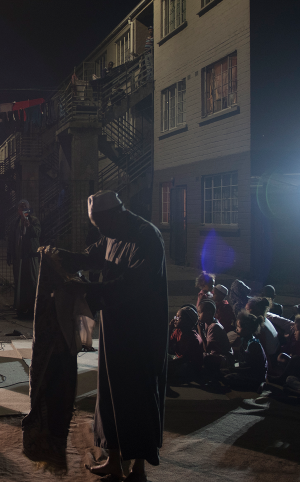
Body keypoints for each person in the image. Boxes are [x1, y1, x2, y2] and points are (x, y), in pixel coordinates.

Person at [44, 190, 168, 480]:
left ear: (115, 214)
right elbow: (91, 257)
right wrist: (59, 258)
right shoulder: (113, 232)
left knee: (138, 395)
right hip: (116, 327)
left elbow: (131, 285)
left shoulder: (146, 237)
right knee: (112, 393)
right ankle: (114, 459)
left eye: (100, 226)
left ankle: (138, 466)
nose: (100, 232)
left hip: (142, 331)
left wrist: (87, 290)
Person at [7, 199, 41, 319]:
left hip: (30, 256)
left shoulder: (33, 220)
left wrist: (29, 226)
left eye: (25, 207)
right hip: (19, 257)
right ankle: (21, 308)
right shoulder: (15, 223)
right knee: (19, 282)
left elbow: (37, 234)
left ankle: (32, 308)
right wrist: (10, 254)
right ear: (18, 211)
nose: (23, 209)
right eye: (21, 207)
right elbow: (11, 239)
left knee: (31, 282)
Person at [221, 312, 268, 392]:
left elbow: (251, 368)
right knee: (222, 372)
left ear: (248, 329)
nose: (236, 329)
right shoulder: (244, 340)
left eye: (239, 327)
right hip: (247, 371)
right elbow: (243, 362)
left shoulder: (253, 345)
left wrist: (234, 369)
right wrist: (233, 366)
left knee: (226, 378)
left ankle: (258, 385)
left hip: (255, 376)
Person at [167, 306, 203, 382]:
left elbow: (185, 359)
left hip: (189, 365)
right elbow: (167, 345)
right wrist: (170, 329)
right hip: (178, 359)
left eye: (178, 317)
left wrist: (168, 364)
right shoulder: (178, 331)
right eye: (175, 316)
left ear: (188, 321)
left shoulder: (193, 338)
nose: (175, 319)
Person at [198, 301, 232, 376]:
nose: (198, 315)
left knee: (206, 359)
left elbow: (206, 349)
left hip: (225, 358)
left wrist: (200, 331)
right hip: (216, 355)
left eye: (200, 312)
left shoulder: (214, 326)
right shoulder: (208, 323)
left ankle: (215, 377)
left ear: (209, 312)